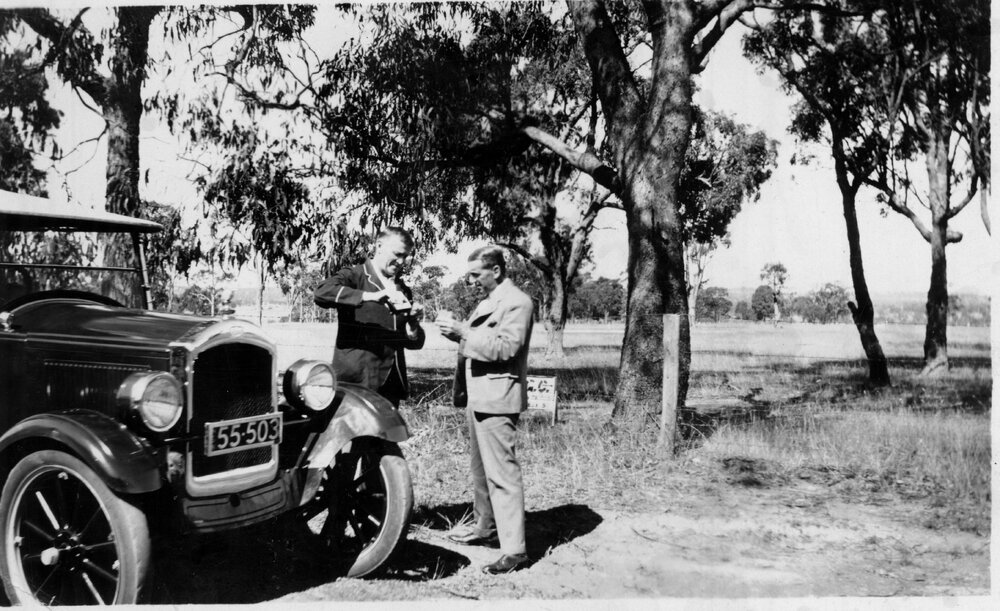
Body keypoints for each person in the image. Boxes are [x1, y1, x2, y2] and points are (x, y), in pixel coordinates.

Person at [437, 245, 533, 574]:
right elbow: (479, 342)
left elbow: (506, 348)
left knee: (502, 475)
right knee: (481, 472)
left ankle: (515, 551)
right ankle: (486, 529)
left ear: (496, 270)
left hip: (497, 398)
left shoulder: (517, 302)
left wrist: (464, 331)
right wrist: (456, 333)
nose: (473, 280)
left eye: (477, 274)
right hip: (479, 397)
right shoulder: (487, 301)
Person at [314, 227, 425, 407]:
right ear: (379, 246)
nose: (401, 261)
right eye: (397, 254)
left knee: (389, 436)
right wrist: (368, 296)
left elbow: (414, 343)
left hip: (391, 387)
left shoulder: (403, 289)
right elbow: (321, 293)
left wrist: (413, 323)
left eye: (405, 256)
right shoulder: (354, 275)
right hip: (357, 382)